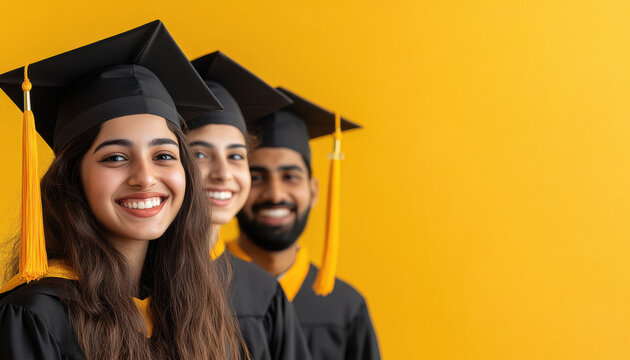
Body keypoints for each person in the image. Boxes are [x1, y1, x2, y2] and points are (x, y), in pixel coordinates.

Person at [0, 21, 246, 359]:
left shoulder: (192, 306)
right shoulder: (36, 316)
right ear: (72, 179)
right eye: (115, 157)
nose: (144, 177)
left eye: (163, 155)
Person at [228, 88, 381, 360]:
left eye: (290, 177)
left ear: (314, 191)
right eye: (258, 176)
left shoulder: (345, 309)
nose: (275, 194)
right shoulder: (194, 291)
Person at [186, 51, 311, 360]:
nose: (223, 173)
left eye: (237, 156)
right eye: (200, 154)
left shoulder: (264, 293)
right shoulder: (132, 284)